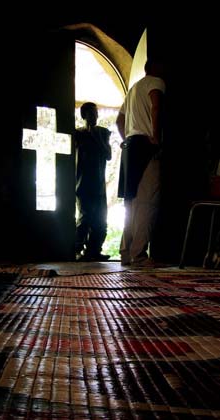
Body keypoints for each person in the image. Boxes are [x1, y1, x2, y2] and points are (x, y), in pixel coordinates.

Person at [116, 59, 166, 266]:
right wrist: (155, 136)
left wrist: (125, 139)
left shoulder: (133, 89)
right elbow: (156, 107)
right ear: (155, 68)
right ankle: (139, 255)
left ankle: (126, 252)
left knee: (131, 201)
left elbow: (119, 120)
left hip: (130, 146)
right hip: (146, 144)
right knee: (148, 201)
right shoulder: (157, 82)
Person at [75, 102, 112, 261]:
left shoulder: (103, 133)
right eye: (91, 113)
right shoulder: (78, 134)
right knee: (85, 219)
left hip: (99, 184)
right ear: (84, 116)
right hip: (83, 183)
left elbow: (108, 155)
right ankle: (76, 249)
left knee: (101, 221)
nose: (95, 116)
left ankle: (94, 251)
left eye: (96, 113)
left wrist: (96, 137)